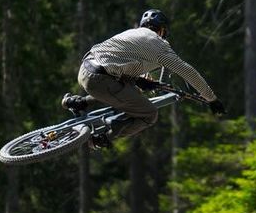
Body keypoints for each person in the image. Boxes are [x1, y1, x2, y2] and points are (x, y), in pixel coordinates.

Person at [64, 9, 225, 148]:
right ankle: (104, 138)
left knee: (129, 91)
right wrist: (211, 99)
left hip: (85, 70)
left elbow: (119, 60)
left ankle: (79, 102)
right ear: (162, 30)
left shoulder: (131, 33)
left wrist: (139, 80)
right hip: (101, 80)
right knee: (149, 114)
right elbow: (189, 72)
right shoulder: (160, 45)